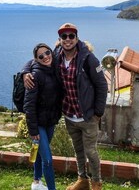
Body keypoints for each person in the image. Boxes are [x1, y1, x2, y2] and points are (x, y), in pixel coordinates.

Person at [23, 23, 108, 190]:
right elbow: (36, 59)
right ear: (60, 39)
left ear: (76, 38)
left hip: (88, 116)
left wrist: (98, 112)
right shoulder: (56, 55)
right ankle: (82, 180)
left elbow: (102, 85)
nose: (67, 39)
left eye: (71, 36)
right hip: (69, 115)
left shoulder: (88, 58)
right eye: (64, 36)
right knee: (78, 151)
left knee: (91, 152)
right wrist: (25, 71)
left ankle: (96, 183)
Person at [23, 43, 63, 190]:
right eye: (41, 56)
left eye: (47, 53)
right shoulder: (34, 76)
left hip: (50, 122)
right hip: (38, 124)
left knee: (39, 153)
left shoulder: (55, 67)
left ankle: (36, 182)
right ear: (36, 59)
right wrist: (33, 131)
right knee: (47, 160)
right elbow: (29, 105)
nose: (45, 57)